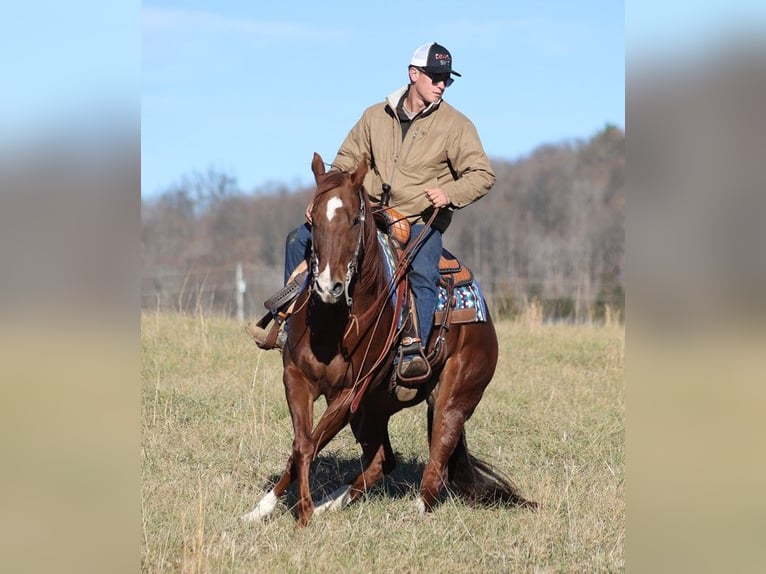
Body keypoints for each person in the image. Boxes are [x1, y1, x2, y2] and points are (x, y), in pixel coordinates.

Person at [248, 42, 495, 379]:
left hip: (417, 219)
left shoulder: (456, 125)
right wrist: (324, 198)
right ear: (414, 74)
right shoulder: (374, 116)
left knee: (423, 273)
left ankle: (411, 350)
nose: (441, 85)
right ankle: (290, 323)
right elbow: (346, 161)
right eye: (435, 77)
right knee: (298, 239)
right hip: (367, 214)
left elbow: (482, 175)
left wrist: (448, 192)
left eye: (447, 80)